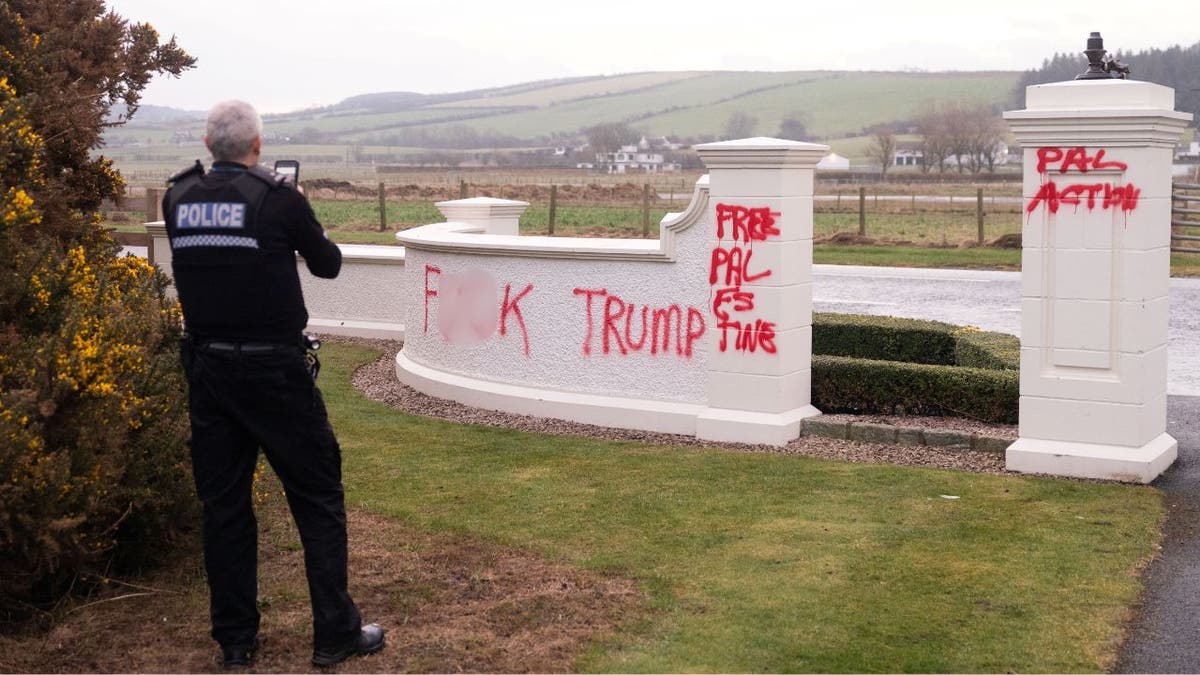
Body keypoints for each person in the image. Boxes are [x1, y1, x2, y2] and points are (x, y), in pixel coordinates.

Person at [163, 100, 384, 669]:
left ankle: (235, 642)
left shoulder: (177, 197)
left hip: (209, 373)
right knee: (317, 498)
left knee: (225, 509)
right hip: (275, 374)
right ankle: (335, 633)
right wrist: (304, 213)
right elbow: (328, 264)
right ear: (257, 146)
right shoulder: (280, 198)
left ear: (209, 145)